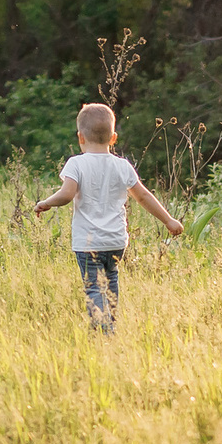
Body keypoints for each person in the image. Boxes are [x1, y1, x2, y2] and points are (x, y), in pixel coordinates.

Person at [31, 102, 182, 330]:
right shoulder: (123, 166)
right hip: (115, 241)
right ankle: (110, 324)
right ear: (113, 138)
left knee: (94, 287)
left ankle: (103, 331)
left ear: (80, 137)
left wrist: (46, 203)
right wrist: (168, 220)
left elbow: (66, 194)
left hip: (88, 242)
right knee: (111, 281)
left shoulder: (76, 164)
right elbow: (142, 196)